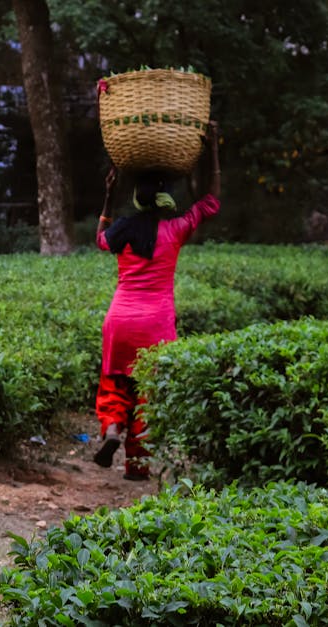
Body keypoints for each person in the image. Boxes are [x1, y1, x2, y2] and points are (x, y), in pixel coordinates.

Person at [92, 122, 221, 480]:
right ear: (167, 199)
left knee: (115, 382)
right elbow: (211, 202)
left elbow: (100, 237)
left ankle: (114, 427)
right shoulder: (176, 229)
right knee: (147, 393)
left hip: (119, 322)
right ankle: (137, 466)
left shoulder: (122, 232)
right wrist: (212, 151)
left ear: (135, 198)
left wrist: (108, 196)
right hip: (156, 326)